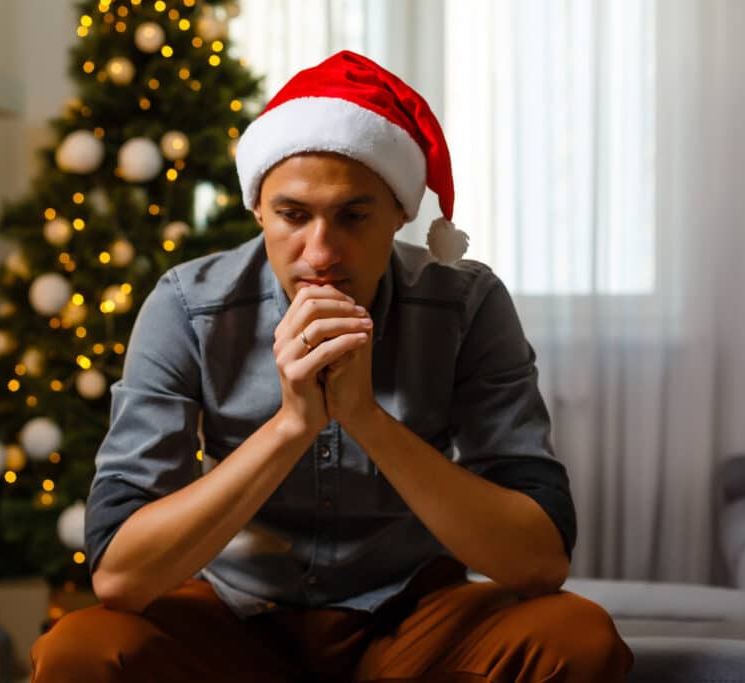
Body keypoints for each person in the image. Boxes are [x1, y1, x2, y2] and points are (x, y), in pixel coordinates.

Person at [31, 50, 634, 683]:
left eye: (353, 215)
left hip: (413, 619)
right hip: (234, 618)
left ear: (400, 211)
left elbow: (539, 561)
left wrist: (364, 417)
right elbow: (120, 574)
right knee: (80, 650)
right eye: (293, 215)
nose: (320, 253)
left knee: (577, 638)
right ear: (258, 209)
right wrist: (293, 423)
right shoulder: (189, 306)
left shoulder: (465, 305)